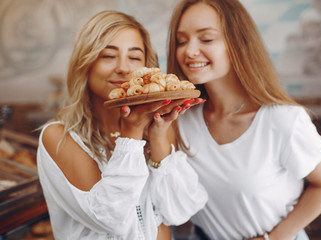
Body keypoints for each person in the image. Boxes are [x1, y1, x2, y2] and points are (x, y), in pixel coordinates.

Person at [166, 0, 321, 239]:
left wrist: (276, 237)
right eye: (181, 41)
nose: (189, 50)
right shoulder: (180, 120)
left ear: (237, 43)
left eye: (206, 39)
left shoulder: (282, 119)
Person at [36, 10, 207, 240]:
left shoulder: (159, 128)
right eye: (108, 56)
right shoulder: (58, 136)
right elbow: (107, 217)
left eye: (135, 57)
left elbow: (181, 210)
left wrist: (157, 138)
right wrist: (132, 134)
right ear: (85, 64)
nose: (124, 68)